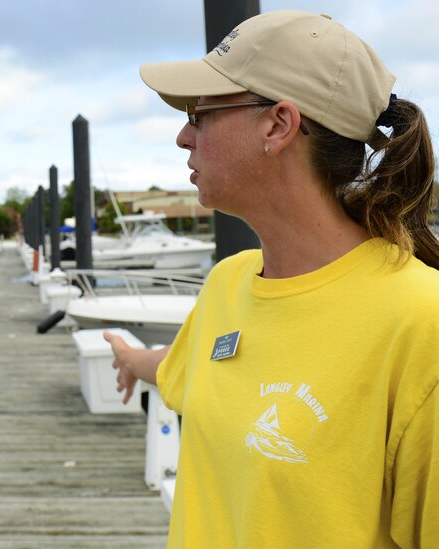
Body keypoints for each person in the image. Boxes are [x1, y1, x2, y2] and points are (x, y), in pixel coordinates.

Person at [105, 10, 439, 548]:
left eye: (200, 113)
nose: (182, 136)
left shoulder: (422, 326)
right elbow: (186, 371)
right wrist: (128, 358)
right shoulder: (230, 283)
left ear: (279, 125)